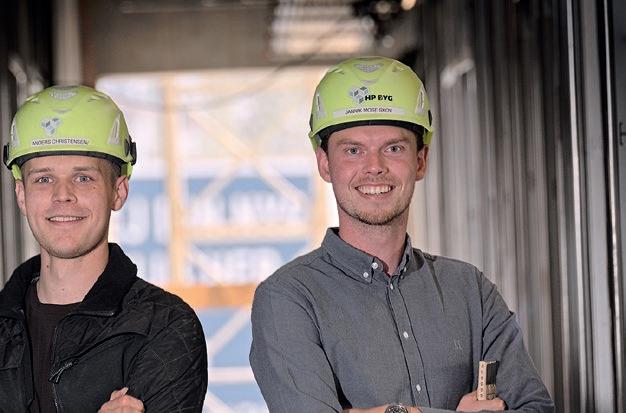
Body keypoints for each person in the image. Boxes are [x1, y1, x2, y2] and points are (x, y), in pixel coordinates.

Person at [249, 56, 554, 413]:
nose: (374, 167)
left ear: (420, 160)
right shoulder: (288, 299)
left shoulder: (471, 291)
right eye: (353, 150)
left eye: (393, 148)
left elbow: (536, 408)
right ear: (325, 163)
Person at [0, 85, 208, 412]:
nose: (62, 194)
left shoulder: (164, 327)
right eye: (43, 179)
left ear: (118, 191)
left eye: (83, 178)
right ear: (21, 195)